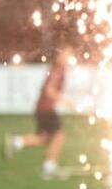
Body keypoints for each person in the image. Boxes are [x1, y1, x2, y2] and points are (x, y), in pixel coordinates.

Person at [4, 49, 73, 179]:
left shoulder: (58, 69)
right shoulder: (58, 70)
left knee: (45, 138)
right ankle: (49, 167)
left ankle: (17, 141)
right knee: (59, 135)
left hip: (42, 109)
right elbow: (49, 90)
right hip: (45, 109)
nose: (69, 59)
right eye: (67, 55)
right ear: (60, 56)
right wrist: (64, 100)